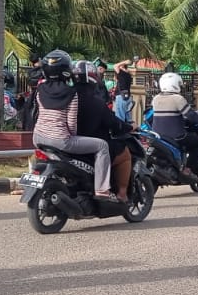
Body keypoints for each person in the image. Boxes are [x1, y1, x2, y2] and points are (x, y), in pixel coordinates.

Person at [32, 50, 113, 199]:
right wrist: (73, 139)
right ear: (66, 71)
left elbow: (37, 114)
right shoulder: (71, 93)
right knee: (102, 146)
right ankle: (101, 190)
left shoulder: (40, 90)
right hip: (60, 140)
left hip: (38, 138)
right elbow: (71, 124)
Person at [74, 61, 131, 202]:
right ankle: (122, 194)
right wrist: (129, 127)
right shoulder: (95, 101)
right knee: (124, 154)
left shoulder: (65, 96)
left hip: (66, 142)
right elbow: (113, 123)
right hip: (90, 145)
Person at [150, 71, 198, 177]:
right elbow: (191, 115)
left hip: (158, 136)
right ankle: (191, 171)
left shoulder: (156, 99)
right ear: (174, 84)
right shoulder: (178, 99)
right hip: (177, 137)